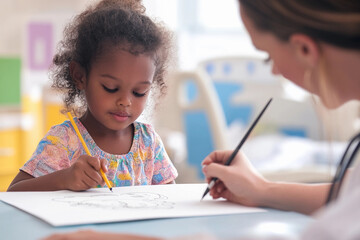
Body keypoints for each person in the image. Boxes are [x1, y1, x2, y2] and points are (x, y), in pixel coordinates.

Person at [45, 0, 360, 239]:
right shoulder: (65, 137)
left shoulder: (146, 139)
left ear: (304, 48)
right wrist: (261, 189)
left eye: (266, 54)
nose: (275, 71)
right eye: (111, 87)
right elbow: (350, 194)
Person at [7, 0, 178, 192]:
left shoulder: (148, 143)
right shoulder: (64, 141)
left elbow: (170, 197)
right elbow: (14, 192)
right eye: (111, 88)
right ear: (80, 76)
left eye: (139, 92)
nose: (125, 101)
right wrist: (63, 179)